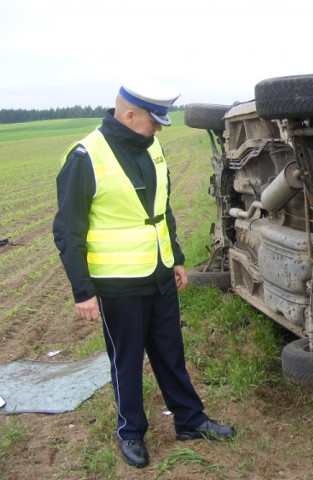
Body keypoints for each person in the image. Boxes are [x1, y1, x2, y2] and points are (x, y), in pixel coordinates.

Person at [53, 82, 235, 469]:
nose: (160, 128)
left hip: (159, 272)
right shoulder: (86, 156)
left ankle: (190, 420)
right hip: (117, 283)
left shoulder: (151, 146)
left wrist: (178, 257)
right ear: (129, 114)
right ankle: (131, 432)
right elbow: (67, 231)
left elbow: (161, 207)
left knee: (171, 352)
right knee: (128, 359)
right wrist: (82, 291)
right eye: (154, 120)